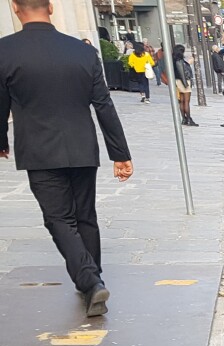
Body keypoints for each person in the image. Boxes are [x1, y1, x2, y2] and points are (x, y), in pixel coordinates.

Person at [0, 0, 133, 317]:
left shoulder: (5, 51)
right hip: (82, 148)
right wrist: (120, 154)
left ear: (16, 9)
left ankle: (89, 281)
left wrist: (1, 139)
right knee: (85, 215)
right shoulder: (83, 52)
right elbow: (104, 106)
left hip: (39, 150)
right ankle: (93, 281)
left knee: (58, 219)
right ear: (51, 8)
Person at [163, 44, 199, 126]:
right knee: (186, 101)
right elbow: (182, 72)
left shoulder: (173, 59)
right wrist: (186, 84)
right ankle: (189, 119)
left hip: (177, 81)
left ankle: (184, 119)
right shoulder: (179, 60)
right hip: (183, 81)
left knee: (181, 101)